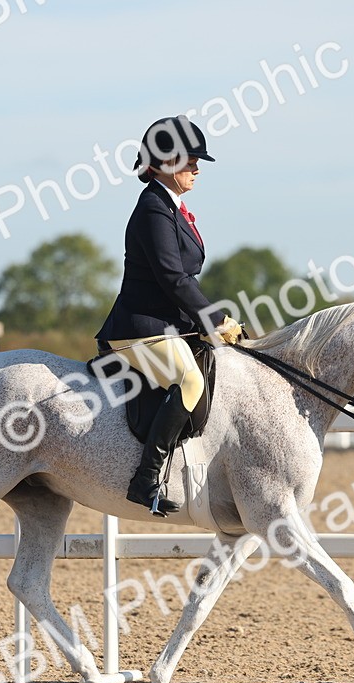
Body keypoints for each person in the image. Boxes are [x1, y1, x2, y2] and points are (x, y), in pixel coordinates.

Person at [95, 115, 243, 515]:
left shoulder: (172, 207)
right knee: (189, 380)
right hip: (139, 328)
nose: (196, 167)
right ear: (162, 164)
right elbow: (173, 277)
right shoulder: (152, 209)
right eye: (188, 160)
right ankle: (145, 480)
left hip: (168, 325)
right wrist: (214, 320)